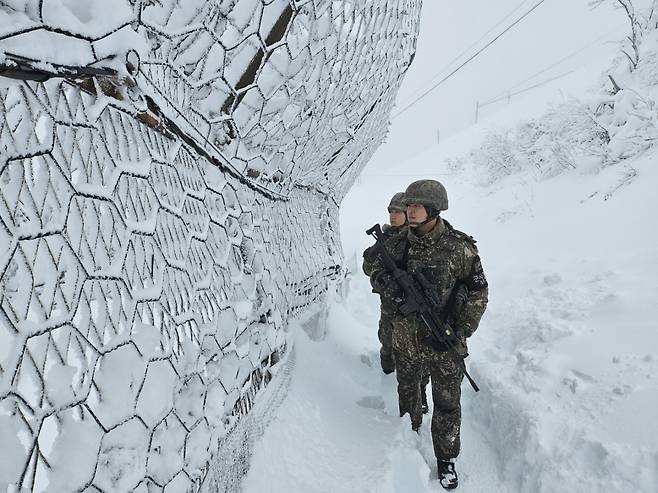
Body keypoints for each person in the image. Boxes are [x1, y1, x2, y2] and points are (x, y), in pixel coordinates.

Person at [371, 180, 488, 490]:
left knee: (447, 404)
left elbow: (478, 292)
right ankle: (407, 442)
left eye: (415, 206)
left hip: (444, 342)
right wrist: (387, 284)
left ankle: (446, 460)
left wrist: (461, 330)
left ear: (434, 209)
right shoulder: (397, 243)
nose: (409, 211)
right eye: (408, 206)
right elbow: (371, 265)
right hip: (406, 340)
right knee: (408, 392)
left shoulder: (459, 247)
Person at [362, 192, 407, 375]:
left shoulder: (415, 240)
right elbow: (367, 268)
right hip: (389, 304)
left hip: (410, 306)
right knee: (387, 339)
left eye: (398, 211)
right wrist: (379, 276)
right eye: (391, 211)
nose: (393, 216)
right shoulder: (384, 238)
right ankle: (386, 374)